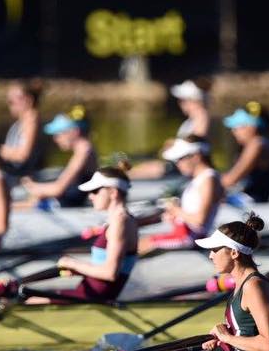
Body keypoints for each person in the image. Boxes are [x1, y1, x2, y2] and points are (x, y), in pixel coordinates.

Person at [132, 214, 269, 351]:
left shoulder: (254, 286)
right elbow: (245, 332)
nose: (210, 256)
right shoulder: (245, 283)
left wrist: (227, 337)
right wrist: (221, 339)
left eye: (215, 249)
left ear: (234, 252)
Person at [26, 163, 139, 303]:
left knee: (30, 301)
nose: (90, 196)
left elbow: (110, 273)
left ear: (113, 192)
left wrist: (73, 263)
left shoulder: (120, 222)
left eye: (95, 191)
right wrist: (78, 270)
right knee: (26, 296)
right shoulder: (124, 219)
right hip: (91, 293)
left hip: (95, 298)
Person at [139, 136, 224, 253]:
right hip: (183, 232)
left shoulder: (209, 179)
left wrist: (175, 209)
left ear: (196, 156)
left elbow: (200, 220)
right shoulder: (199, 178)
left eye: (180, 158)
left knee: (143, 243)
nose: (178, 164)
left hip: (192, 238)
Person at [129, 78, 212, 180]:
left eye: (183, 100)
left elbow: (197, 144)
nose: (180, 103)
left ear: (194, 100)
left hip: (187, 165)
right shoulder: (190, 121)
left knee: (154, 168)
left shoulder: (202, 117)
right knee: (142, 167)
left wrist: (174, 143)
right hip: (179, 161)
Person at [21, 105, 97, 209]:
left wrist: (32, 187)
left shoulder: (84, 151)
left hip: (70, 205)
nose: (56, 139)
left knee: (14, 207)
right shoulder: (84, 149)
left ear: (75, 131)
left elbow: (58, 189)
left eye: (59, 134)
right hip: (68, 201)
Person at [220, 102, 269, 203]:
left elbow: (231, 179)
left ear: (252, 127)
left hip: (252, 201)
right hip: (246, 198)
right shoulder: (257, 144)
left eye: (237, 126)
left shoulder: (257, 144)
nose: (233, 131)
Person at [0, 79, 45, 179]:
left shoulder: (31, 119)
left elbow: (23, 155)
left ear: (29, 100)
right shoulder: (23, 121)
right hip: (15, 172)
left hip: (23, 176)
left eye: (11, 101)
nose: (9, 105)